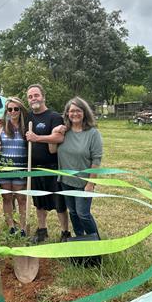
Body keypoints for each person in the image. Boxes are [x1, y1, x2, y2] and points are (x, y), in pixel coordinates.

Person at [25, 84, 69, 243]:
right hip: (35, 168)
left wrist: (37, 138)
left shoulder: (54, 117)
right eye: (30, 97)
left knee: (59, 203)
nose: (33, 99)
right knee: (39, 203)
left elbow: (59, 138)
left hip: (53, 167)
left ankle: (65, 233)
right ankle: (42, 230)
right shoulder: (28, 117)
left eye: (36, 95)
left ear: (43, 96)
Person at [55, 97, 103, 238]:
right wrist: (55, 131)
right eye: (72, 111)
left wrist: (91, 183)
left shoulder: (93, 133)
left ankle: (95, 241)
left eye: (78, 110)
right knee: (73, 213)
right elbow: (52, 149)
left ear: (84, 112)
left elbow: (96, 159)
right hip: (66, 181)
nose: (75, 114)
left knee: (83, 213)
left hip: (84, 182)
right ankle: (80, 240)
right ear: (67, 114)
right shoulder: (64, 132)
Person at [0, 97, 28, 235]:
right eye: (10, 109)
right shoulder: (2, 127)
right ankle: (11, 226)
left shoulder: (26, 127)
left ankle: (24, 227)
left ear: (20, 110)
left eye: (16, 109)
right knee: (7, 198)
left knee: (21, 198)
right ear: (6, 111)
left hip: (20, 168)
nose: (13, 112)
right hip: (4, 169)